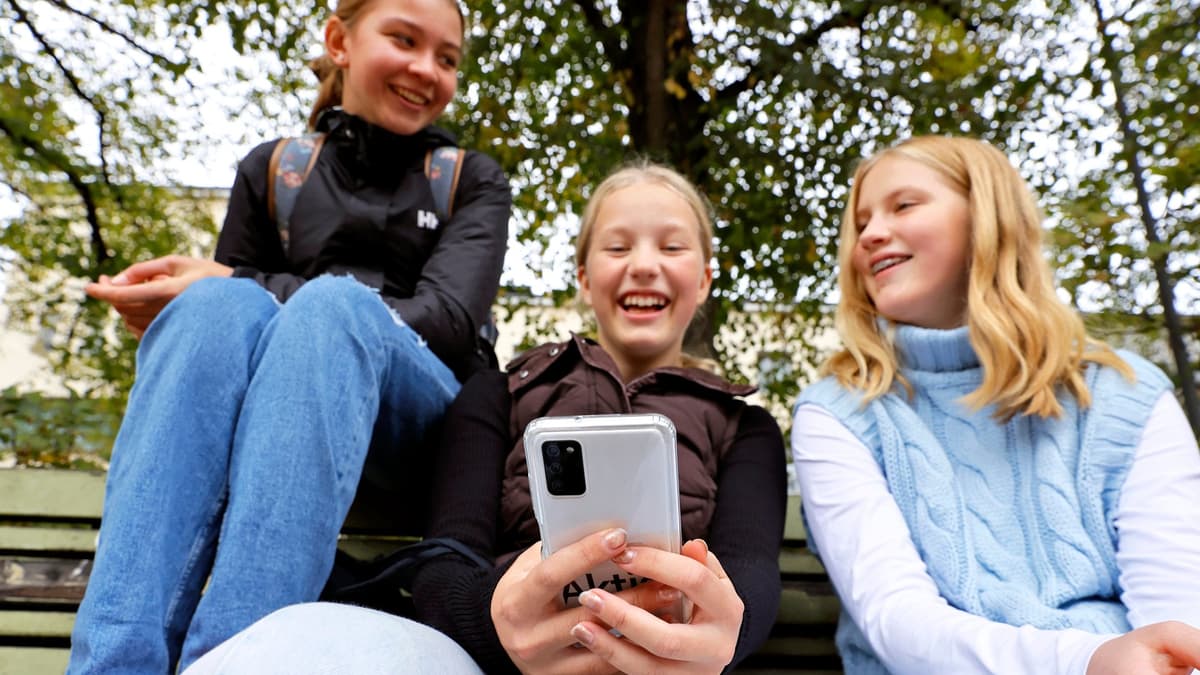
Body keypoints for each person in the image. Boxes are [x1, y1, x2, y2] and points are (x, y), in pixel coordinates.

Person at [184, 160, 787, 674]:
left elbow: (751, 571)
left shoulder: (746, 427)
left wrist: (718, 637)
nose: (645, 265)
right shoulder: (494, 394)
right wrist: (497, 621)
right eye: (618, 246)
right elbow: (447, 556)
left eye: (673, 246)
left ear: (705, 278)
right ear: (583, 277)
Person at [67, 0, 511, 671]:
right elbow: (230, 323)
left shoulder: (470, 179)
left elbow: (447, 322)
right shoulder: (270, 170)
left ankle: (244, 658)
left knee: (330, 309)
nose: (428, 69)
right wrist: (210, 291)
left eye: (447, 58)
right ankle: (112, 663)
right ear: (340, 41)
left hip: (419, 416)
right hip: (287, 414)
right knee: (210, 308)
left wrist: (264, 287)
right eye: (405, 40)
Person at [791, 135, 1200, 674]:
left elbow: (1176, 620)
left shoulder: (1126, 394)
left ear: (986, 216)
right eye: (861, 221)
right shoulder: (840, 411)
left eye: (904, 205)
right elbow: (898, 622)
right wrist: (1085, 659)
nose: (869, 234)